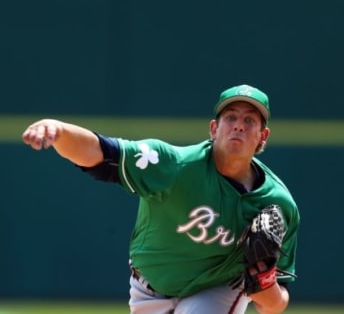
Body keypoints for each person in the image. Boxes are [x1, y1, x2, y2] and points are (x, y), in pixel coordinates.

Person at [22, 84, 300, 314]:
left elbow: (275, 304)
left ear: (263, 136)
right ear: (214, 128)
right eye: (231, 118)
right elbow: (101, 152)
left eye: (249, 120)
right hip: (148, 288)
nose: (238, 126)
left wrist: (264, 283)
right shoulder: (173, 166)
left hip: (217, 289)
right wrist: (58, 130)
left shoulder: (277, 203)